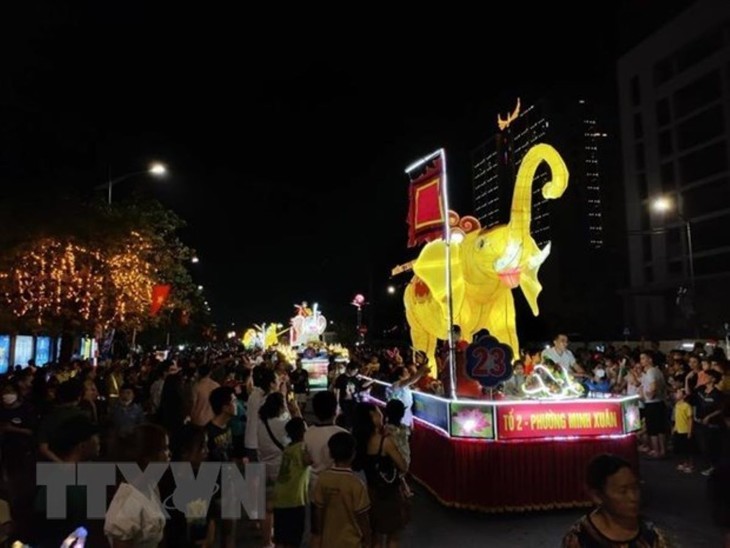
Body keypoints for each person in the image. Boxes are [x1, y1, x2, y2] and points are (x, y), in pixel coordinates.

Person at [562, 454, 668, 547]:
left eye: (635, 488)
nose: (633, 497)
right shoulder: (581, 538)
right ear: (597, 496)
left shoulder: (650, 532)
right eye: (623, 491)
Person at [312, 432, 371, 548]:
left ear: (330, 453)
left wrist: (318, 534)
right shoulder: (356, 484)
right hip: (352, 542)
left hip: (328, 540)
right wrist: (368, 539)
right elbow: (362, 517)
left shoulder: (323, 479)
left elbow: (318, 511)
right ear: (353, 454)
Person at [272, 417, 310, 548]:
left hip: (280, 497)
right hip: (294, 499)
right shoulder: (302, 448)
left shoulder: (288, 448)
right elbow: (311, 460)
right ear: (303, 432)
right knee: (293, 539)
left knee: (280, 538)